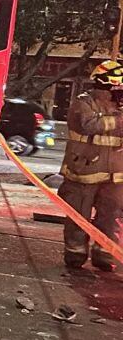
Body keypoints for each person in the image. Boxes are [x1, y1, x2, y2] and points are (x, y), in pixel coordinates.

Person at [56, 60, 123, 271]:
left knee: (110, 217)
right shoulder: (83, 103)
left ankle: (104, 254)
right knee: (79, 216)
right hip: (84, 170)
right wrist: (118, 120)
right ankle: (75, 254)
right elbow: (88, 125)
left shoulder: (119, 105)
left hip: (115, 175)